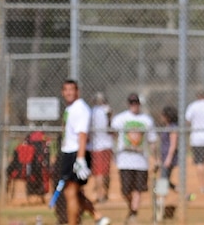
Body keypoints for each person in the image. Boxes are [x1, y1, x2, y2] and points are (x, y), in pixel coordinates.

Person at [57, 79, 110, 225]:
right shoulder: (70, 109)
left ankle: (74, 223)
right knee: (74, 192)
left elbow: (82, 135)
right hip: (70, 152)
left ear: (77, 91)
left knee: (71, 193)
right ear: (62, 92)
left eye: (71, 89)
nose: (68, 92)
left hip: (76, 153)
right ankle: (97, 216)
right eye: (66, 89)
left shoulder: (80, 109)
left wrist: (80, 159)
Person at [110, 94, 157, 224]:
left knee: (138, 189)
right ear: (128, 103)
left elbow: (152, 141)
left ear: (139, 104)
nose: (134, 105)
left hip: (141, 161)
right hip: (124, 160)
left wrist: (155, 158)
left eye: (136, 103)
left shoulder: (147, 120)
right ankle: (132, 208)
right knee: (125, 190)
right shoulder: (120, 119)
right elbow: (112, 133)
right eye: (131, 103)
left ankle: (134, 214)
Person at [88, 92, 113, 203]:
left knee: (98, 173)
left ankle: (100, 195)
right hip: (106, 144)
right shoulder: (107, 110)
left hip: (96, 145)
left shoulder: (90, 111)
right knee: (105, 172)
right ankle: (105, 193)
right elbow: (110, 125)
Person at [158, 106, 179, 191]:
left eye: (163, 115)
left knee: (163, 178)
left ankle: (161, 200)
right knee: (165, 178)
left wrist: (169, 159)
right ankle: (183, 193)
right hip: (164, 156)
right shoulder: (167, 126)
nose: (161, 117)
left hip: (169, 157)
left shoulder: (173, 127)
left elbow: (173, 144)